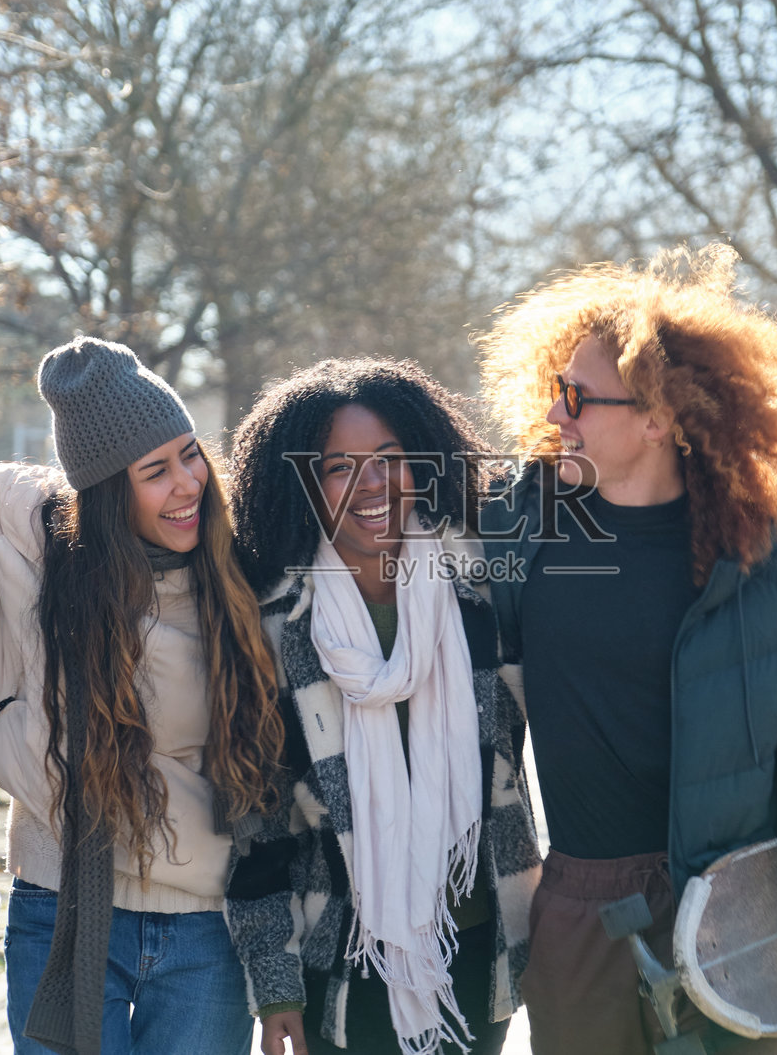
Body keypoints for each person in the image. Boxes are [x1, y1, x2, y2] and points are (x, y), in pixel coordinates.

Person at [476, 244, 777, 1054]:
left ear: (660, 416)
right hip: (577, 918)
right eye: (555, 389)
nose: (554, 413)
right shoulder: (516, 539)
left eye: (577, 395)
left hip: (738, 918)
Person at [0, 336, 285, 1054]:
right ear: (106, 491)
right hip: (64, 910)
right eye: (155, 471)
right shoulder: (47, 554)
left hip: (205, 923)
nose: (188, 483)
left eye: (189, 453)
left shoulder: (237, 576)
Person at [224, 358, 542, 1055]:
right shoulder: (273, 625)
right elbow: (257, 822)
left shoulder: (482, 593)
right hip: (340, 961)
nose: (373, 485)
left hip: (481, 945)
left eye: (390, 458)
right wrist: (275, 985)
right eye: (341, 467)